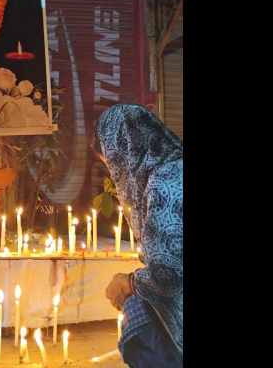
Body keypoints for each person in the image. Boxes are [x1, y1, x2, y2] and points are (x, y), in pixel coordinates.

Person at [95, 104, 183, 368]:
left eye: (110, 163)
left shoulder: (164, 182)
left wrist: (129, 283)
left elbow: (168, 274)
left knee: (136, 310)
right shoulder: (175, 166)